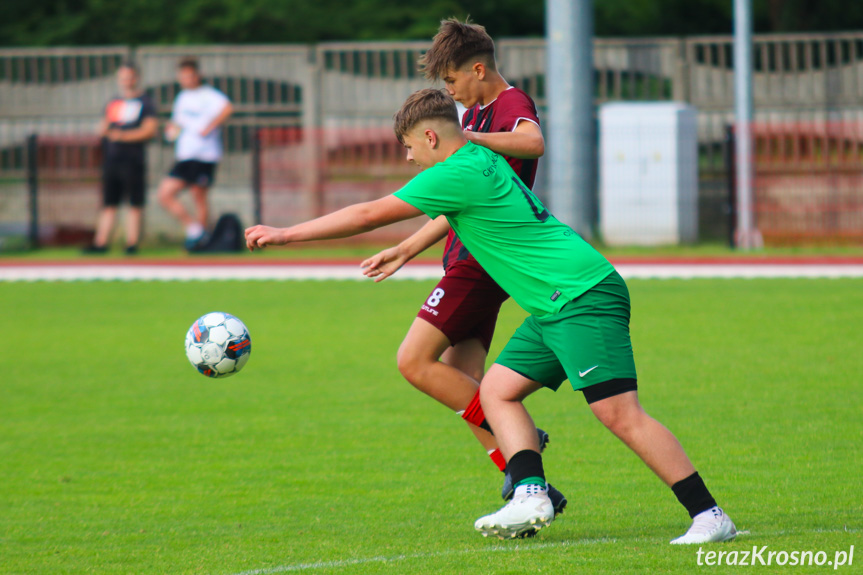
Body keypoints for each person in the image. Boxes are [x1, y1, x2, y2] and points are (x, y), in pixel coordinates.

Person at [245, 88, 737, 544]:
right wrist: (408, 249)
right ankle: (530, 493)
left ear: (431, 137)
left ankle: (709, 516)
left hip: (580, 295)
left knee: (618, 413)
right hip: (554, 303)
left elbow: (368, 213)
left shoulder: (455, 170)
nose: (409, 158)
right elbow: (440, 215)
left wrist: (285, 234)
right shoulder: (478, 158)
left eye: (409, 147)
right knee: (496, 390)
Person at [359, 18, 566, 515]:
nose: (449, 92)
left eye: (451, 82)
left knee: (414, 361)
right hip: (469, 255)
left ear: (478, 69)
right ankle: (527, 484)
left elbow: (533, 143)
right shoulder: (475, 120)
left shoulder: (509, 105)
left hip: (479, 262)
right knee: (462, 379)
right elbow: (455, 206)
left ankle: (522, 448)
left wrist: (472, 139)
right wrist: (409, 247)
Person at [157, 57, 233, 250]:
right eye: (183, 76)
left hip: (205, 154)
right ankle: (195, 230)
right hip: (185, 154)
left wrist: (209, 127)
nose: (187, 79)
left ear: (197, 75)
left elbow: (227, 108)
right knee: (165, 194)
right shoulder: (181, 98)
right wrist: (171, 130)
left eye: (190, 75)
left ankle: (202, 240)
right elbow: (177, 124)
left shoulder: (209, 95)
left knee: (198, 196)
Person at [83, 62, 158, 255]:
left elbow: (149, 129)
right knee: (109, 202)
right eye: (123, 76)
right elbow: (103, 127)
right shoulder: (114, 102)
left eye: (129, 76)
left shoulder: (145, 102)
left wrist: (123, 136)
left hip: (132, 159)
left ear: (136, 78)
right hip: (112, 159)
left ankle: (132, 243)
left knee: (134, 202)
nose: (126, 81)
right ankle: (101, 242)